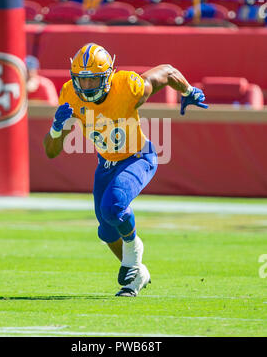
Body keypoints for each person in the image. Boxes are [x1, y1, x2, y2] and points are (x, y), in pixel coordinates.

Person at [43, 43, 208, 297]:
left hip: (137, 157)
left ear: (108, 75)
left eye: (93, 80)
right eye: (82, 81)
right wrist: (56, 128)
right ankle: (138, 274)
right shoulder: (69, 95)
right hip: (106, 164)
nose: (87, 87)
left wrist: (188, 90)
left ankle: (133, 255)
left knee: (114, 206)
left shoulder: (127, 87)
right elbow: (51, 151)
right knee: (106, 231)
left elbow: (166, 71)